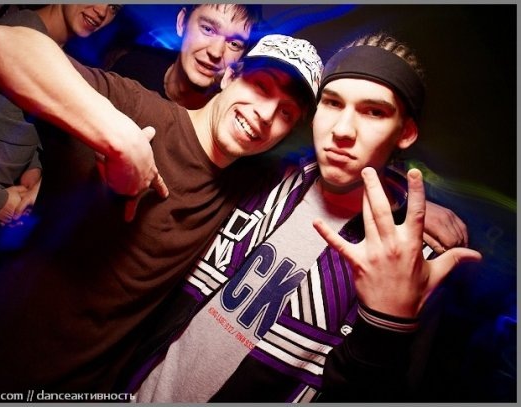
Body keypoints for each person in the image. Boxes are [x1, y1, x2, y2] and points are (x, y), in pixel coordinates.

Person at [0, 32, 322, 394]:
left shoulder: (249, 184)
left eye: (286, 113)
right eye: (260, 86)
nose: (265, 114)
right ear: (229, 76)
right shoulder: (139, 109)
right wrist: (117, 136)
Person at [116, 32, 482, 402]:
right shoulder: (261, 179)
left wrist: (385, 327)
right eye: (332, 103)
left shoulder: (413, 262)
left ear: (405, 132)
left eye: (374, 111)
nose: (343, 130)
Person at [0, 4, 121, 279]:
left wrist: (32, 166)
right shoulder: (18, 30)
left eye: (114, 7)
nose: (101, 11)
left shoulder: (51, 52)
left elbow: (14, 117)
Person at [110, 4, 263, 109]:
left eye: (234, 44)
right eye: (208, 29)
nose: (216, 52)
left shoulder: (226, 122)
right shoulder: (132, 68)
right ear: (182, 22)